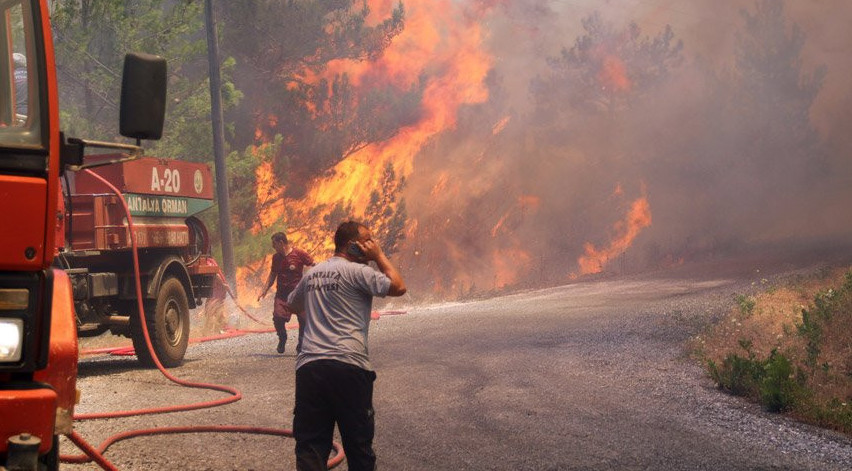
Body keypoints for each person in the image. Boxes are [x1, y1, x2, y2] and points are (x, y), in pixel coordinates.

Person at [287, 221, 406, 471]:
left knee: (310, 448)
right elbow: (398, 286)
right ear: (351, 246)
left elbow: (293, 304)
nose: (371, 246)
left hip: (310, 369)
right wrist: (379, 257)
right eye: (367, 242)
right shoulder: (359, 272)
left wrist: (321, 313)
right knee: (359, 448)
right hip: (349, 367)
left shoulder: (313, 274)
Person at [258, 232, 314, 354]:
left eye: (274, 244)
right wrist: (264, 290)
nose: (273, 247)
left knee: (304, 320)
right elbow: (273, 274)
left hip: (299, 295)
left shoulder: (299, 253)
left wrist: (310, 280)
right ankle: (282, 338)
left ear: (281, 243)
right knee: (278, 317)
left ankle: (301, 345)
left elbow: (312, 264)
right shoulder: (276, 258)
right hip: (282, 295)